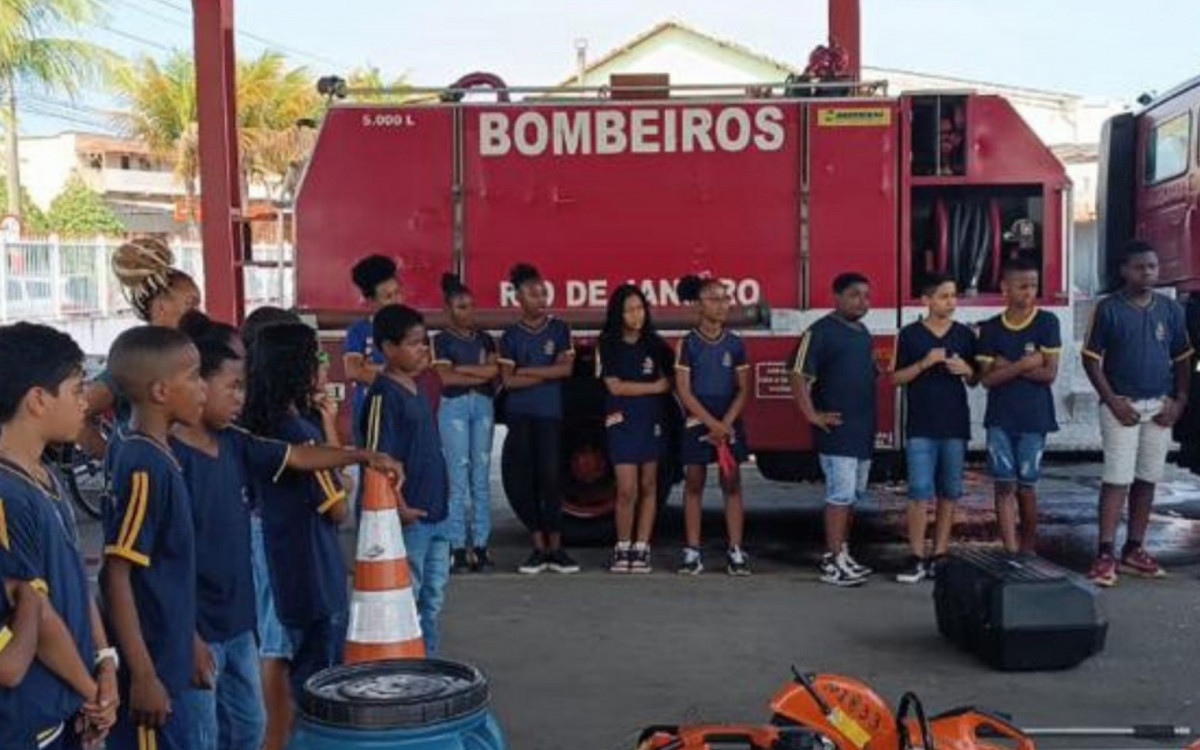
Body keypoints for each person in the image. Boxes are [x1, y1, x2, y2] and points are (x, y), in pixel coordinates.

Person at [173, 331, 401, 750]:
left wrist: (362, 455)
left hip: (239, 624)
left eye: (245, 385)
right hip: (200, 629)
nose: (241, 397)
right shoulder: (166, 461)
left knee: (248, 726)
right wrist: (187, 636)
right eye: (234, 386)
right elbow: (150, 566)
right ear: (194, 386)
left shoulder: (236, 441)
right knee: (203, 734)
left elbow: (297, 456)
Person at [0, 323, 120, 749]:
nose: (85, 403)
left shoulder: (45, 474)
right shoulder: (8, 495)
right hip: (31, 718)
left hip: (69, 701)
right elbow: (38, 611)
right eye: (75, 390)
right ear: (37, 400)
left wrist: (105, 662)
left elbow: (73, 579)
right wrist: (94, 694)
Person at [100, 326, 206, 750]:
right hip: (152, 665)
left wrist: (191, 638)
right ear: (161, 391)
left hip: (170, 651)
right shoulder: (146, 466)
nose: (203, 388)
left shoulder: (143, 446)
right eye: (195, 377)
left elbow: (166, 565)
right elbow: (116, 574)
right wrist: (142, 675)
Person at [242, 323, 352, 703]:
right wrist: (330, 432)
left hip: (279, 558)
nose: (325, 366)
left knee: (276, 648)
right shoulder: (298, 434)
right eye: (319, 358)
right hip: (310, 570)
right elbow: (339, 506)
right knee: (310, 671)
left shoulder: (260, 426)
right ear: (298, 368)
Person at [1082, 241, 1192, 585]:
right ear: (1124, 270)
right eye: (1140, 267)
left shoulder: (1171, 310)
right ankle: (1104, 553)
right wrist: (1112, 400)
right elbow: (1090, 359)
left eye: (1153, 267)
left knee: (1147, 479)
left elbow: (1183, 356)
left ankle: (1134, 548)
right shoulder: (1109, 309)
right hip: (1122, 405)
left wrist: (1179, 400)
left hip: (1159, 406)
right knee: (1117, 478)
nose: (1148, 273)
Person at [365, 305, 452, 652]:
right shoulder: (383, 395)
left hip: (436, 512)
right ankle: (407, 666)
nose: (423, 351)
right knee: (407, 599)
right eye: (414, 344)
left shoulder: (418, 388)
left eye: (424, 342)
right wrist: (399, 507)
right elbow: (376, 460)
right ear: (388, 348)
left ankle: (427, 661)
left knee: (431, 599)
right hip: (411, 514)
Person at [790, 273, 878, 586]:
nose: (862, 302)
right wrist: (812, 415)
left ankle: (843, 552)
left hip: (862, 431)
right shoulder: (820, 332)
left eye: (866, 296)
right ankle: (831, 560)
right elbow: (798, 374)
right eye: (854, 295)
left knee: (853, 495)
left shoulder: (864, 333)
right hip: (837, 433)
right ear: (836, 297)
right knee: (839, 495)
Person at [891, 274, 977, 583]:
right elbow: (895, 379)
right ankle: (916, 555)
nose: (951, 302)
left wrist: (967, 370)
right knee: (918, 492)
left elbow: (976, 378)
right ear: (926, 301)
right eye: (943, 296)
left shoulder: (965, 335)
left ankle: (940, 553)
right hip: (921, 426)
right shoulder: (910, 335)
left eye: (953, 296)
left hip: (955, 424)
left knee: (949, 493)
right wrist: (925, 363)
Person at [82, 239, 202, 456]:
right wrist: (113, 458)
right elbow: (82, 409)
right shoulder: (139, 355)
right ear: (161, 307)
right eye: (191, 304)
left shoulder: (187, 350)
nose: (199, 312)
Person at [498, 263, 580, 575]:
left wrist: (527, 370)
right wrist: (545, 372)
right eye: (533, 293)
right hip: (521, 415)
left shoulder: (560, 329)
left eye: (543, 291)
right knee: (525, 480)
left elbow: (566, 370)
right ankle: (537, 546)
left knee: (551, 478)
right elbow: (509, 381)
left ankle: (556, 548)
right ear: (518, 297)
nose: (540, 297)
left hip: (549, 415)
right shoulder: (510, 336)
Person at [976, 257, 1061, 554]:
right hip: (1000, 418)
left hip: (1035, 418)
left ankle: (1027, 549)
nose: (1029, 292)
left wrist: (1006, 366)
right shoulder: (991, 328)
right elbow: (986, 380)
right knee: (1003, 485)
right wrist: (1026, 363)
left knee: (1027, 486)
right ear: (1005, 289)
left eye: (1034, 286)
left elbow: (1049, 374)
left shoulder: (1047, 322)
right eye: (1022, 286)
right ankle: (1009, 550)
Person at [675, 275, 751, 576]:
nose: (722, 305)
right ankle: (692, 550)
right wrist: (710, 424)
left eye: (725, 299)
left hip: (727, 418)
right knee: (694, 483)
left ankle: (735, 550)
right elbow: (684, 389)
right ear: (699, 305)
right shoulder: (688, 343)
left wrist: (725, 424)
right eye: (714, 299)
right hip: (698, 419)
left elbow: (744, 388)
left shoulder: (735, 343)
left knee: (731, 483)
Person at [597, 284, 673, 574]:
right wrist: (652, 387)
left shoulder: (655, 344)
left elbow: (672, 379)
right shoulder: (607, 344)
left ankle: (642, 547)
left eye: (640, 308)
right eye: (629, 310)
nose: (636, 315)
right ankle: (623, 545)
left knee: (649, 485)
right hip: (621, 421)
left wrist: (658, 387)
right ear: (618, 312)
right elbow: (614, 386)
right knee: (626, 489)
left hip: (651, 421)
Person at [432, 274, 499, 574]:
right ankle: (457, 546)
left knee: (480, 476)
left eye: (471, 306)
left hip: (481, 406)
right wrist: (480, 372)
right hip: (455, 407)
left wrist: (464, 370)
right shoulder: (440, 340)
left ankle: (481, 546)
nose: (468, 312)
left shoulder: (485, 339)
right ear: (448, 310)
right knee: (457, 477)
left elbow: (494, 372)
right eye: (461, 307)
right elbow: (445, 377)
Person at [344, 254, 403, 443]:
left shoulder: (411, 329)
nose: (396, 300)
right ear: (371, 301)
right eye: (388, 297)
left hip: (403, 410)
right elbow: (353, 371)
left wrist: (371, 369)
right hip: (367, 411)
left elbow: (419, 370)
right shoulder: (359, 330)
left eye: (397, 293)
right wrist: (397, 375)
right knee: (372, 469)